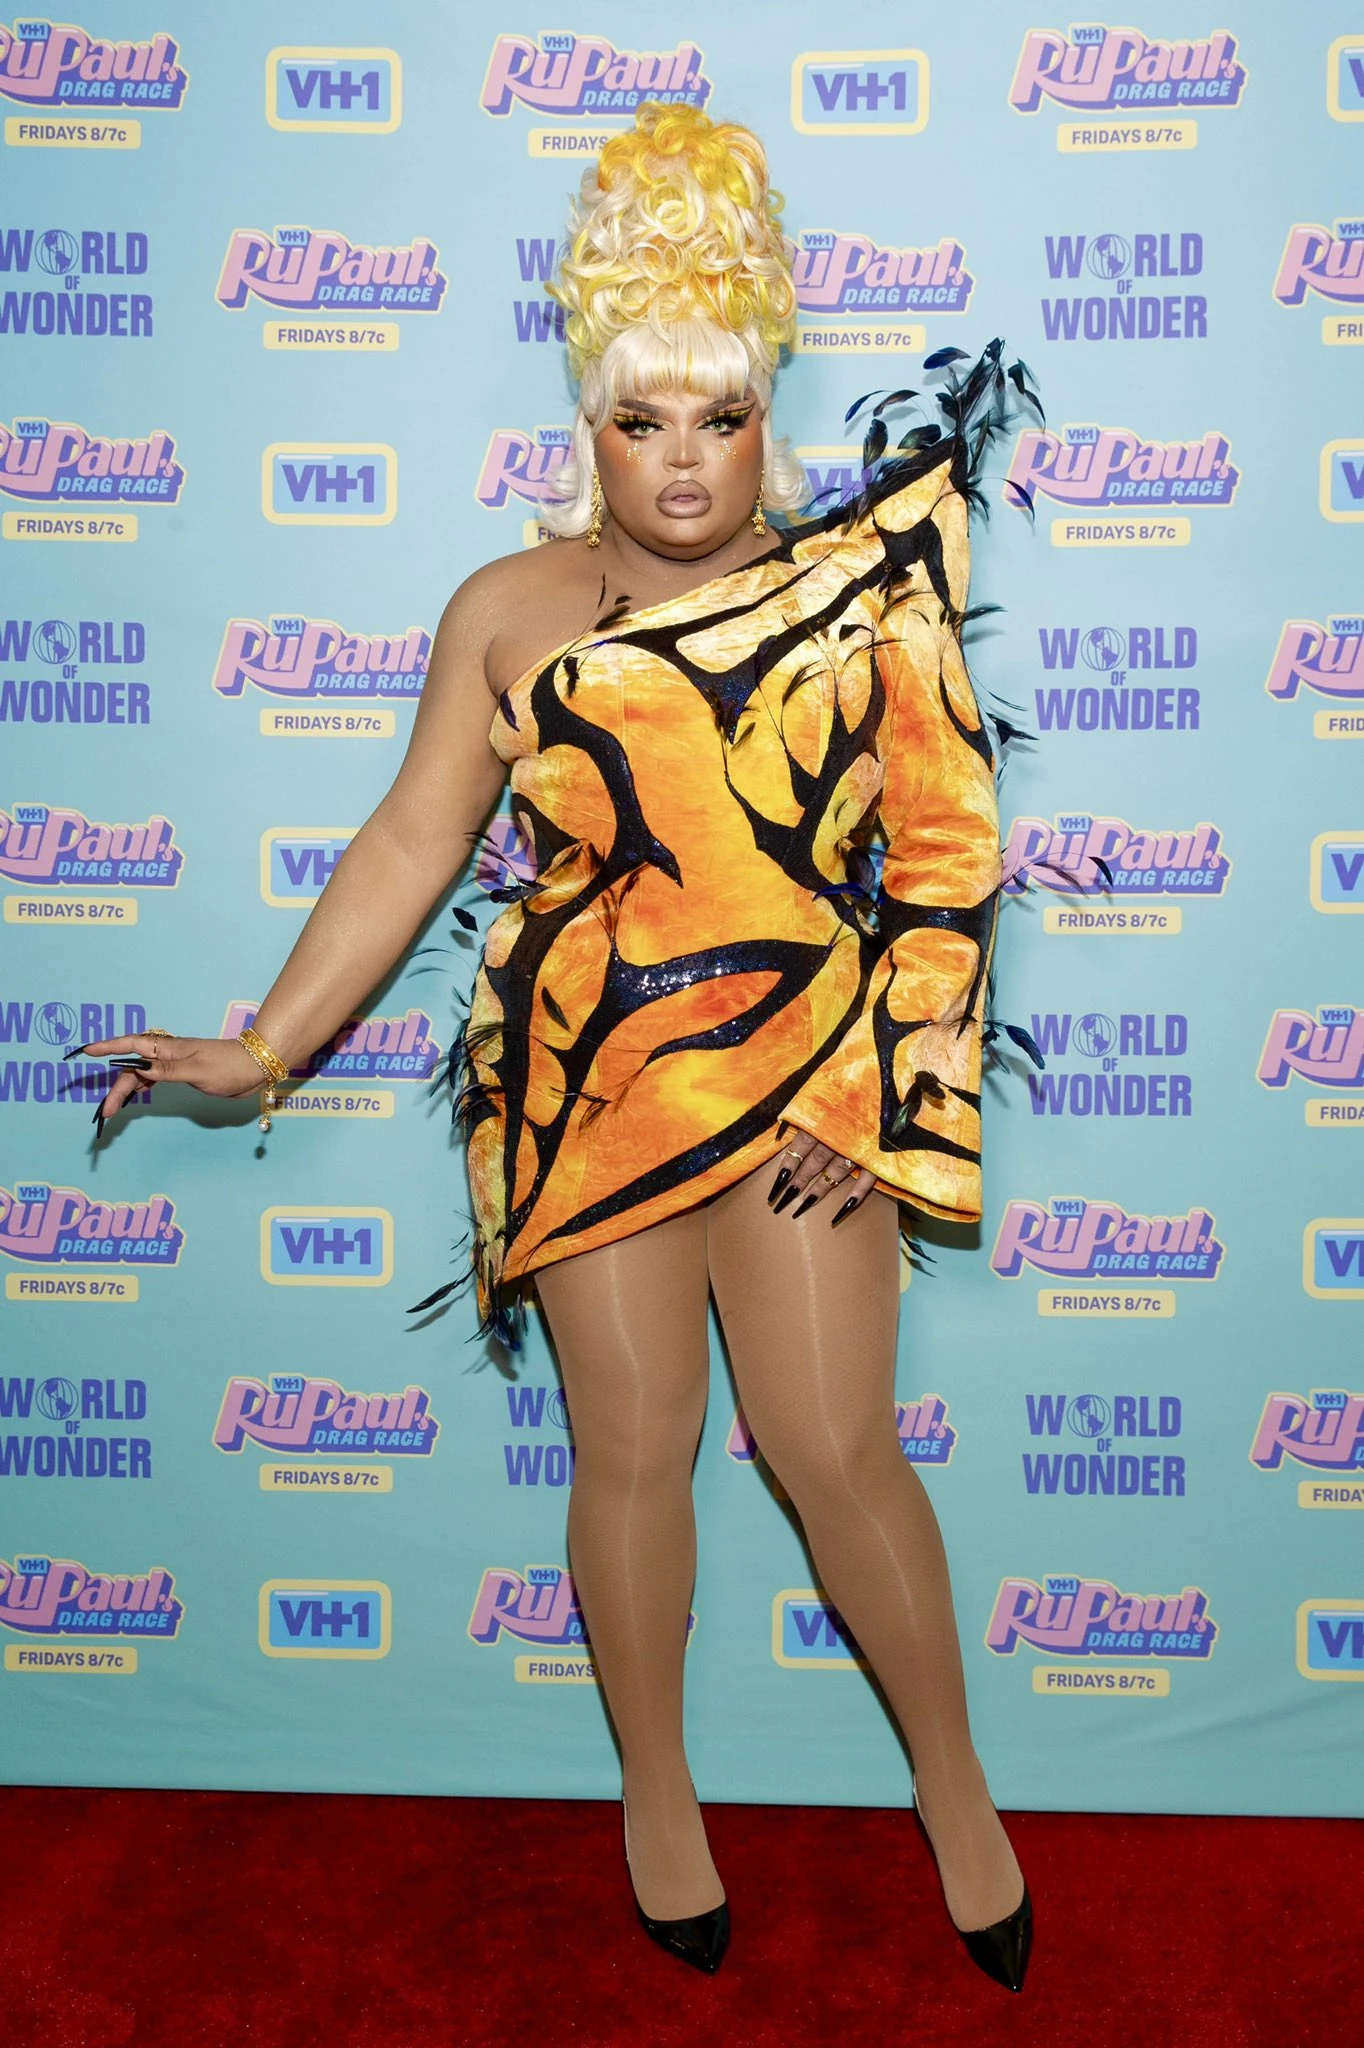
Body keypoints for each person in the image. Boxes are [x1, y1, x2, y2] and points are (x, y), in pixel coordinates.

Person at [79, 104, 1033, 1992]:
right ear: (586, 419)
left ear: (766, 409)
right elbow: (410, 841)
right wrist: (265, 1049)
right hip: (589, 1086)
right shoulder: (505, 611)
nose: (681, 459)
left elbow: (947, 854)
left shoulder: (865, 590)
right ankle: (656, 1794)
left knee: (835, 1446)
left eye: (718, 415)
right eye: (640, 418)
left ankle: (956, 1787)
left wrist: (897, 1100)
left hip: (813, 1081)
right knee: (634, 1451)